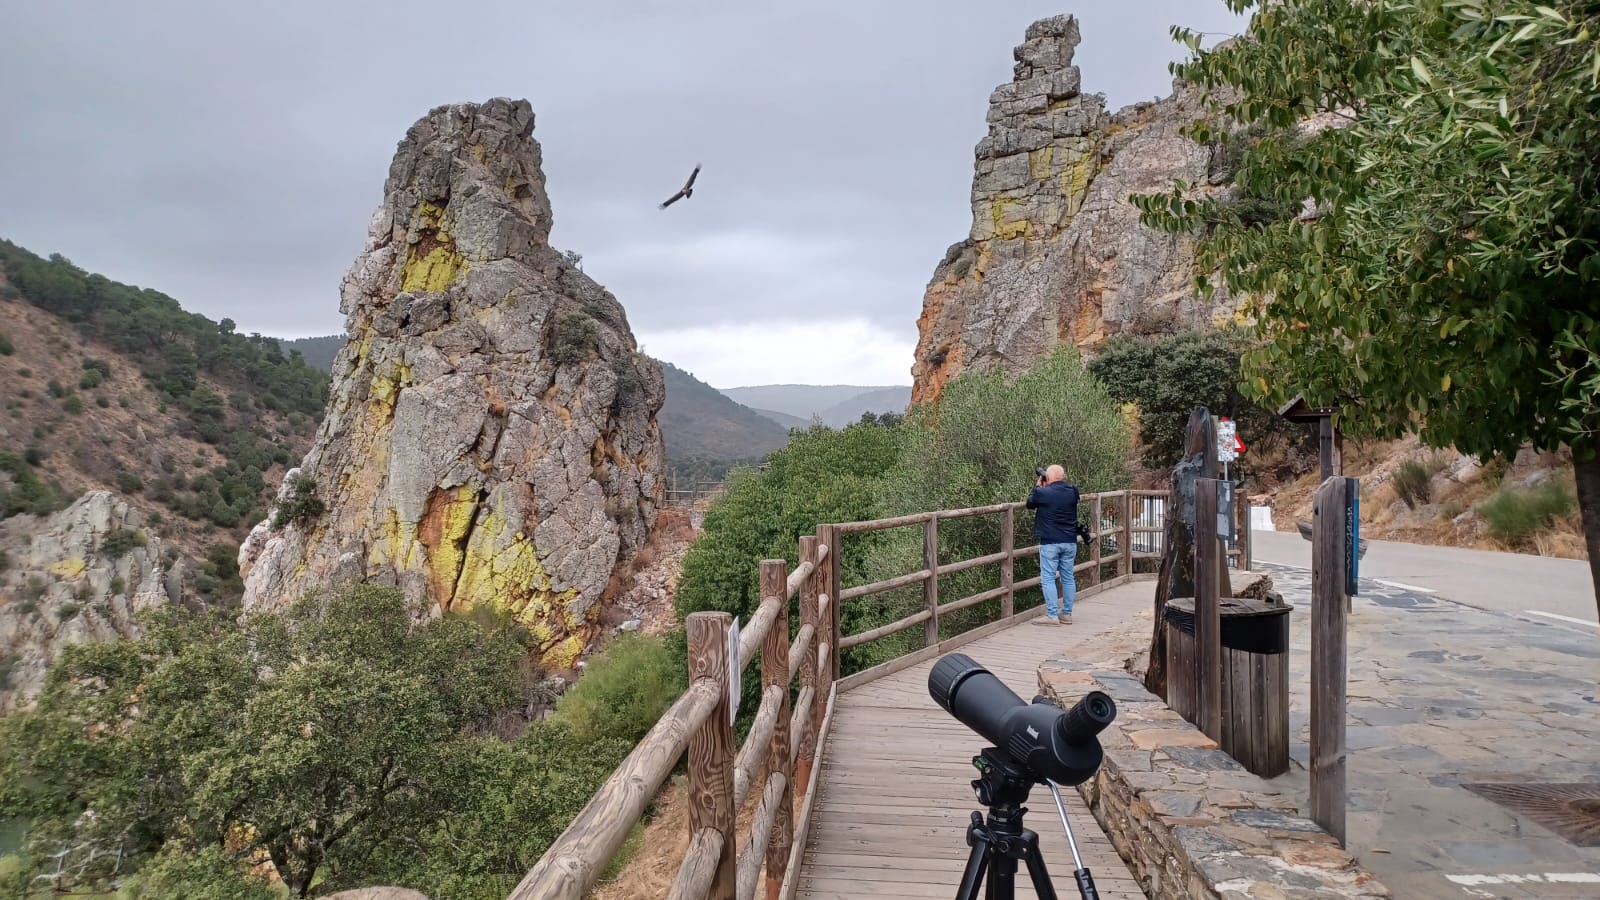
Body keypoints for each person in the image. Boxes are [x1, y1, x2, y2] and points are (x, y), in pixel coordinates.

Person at [1026, 464, 1091, 625]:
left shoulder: (1043, 492)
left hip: (1050, 542)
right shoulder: (1073, 491)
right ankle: (1067, 614)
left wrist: (1038, 487)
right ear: (1063, 476)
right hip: (1069, 541)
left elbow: (1030, 503)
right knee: (1068, 577)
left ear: (1047, 478)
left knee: (1048, 578)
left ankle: (1052, 615)